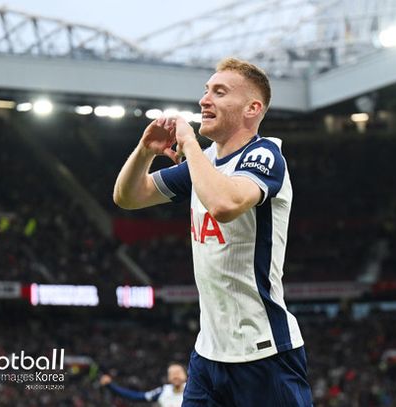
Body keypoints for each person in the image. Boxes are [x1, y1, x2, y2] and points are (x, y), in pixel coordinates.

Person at [113, 57, 312, 406]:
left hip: (264, 354)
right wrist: (144, 151)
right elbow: (128, 197)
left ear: (252, 108)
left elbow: (223, 204)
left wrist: (189, 144)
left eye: (219, 92)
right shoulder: (203, 163)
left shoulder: (265, 155)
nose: (204, 100)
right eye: (206, 91)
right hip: (208, 355)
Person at [99, 362, 187, 407]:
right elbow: (136, 396)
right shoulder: (163, 391)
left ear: (186, 375)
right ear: (168, 377)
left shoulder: (193, 390)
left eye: (178, 372)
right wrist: (111, 385)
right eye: (172, 373)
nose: (175, 375)